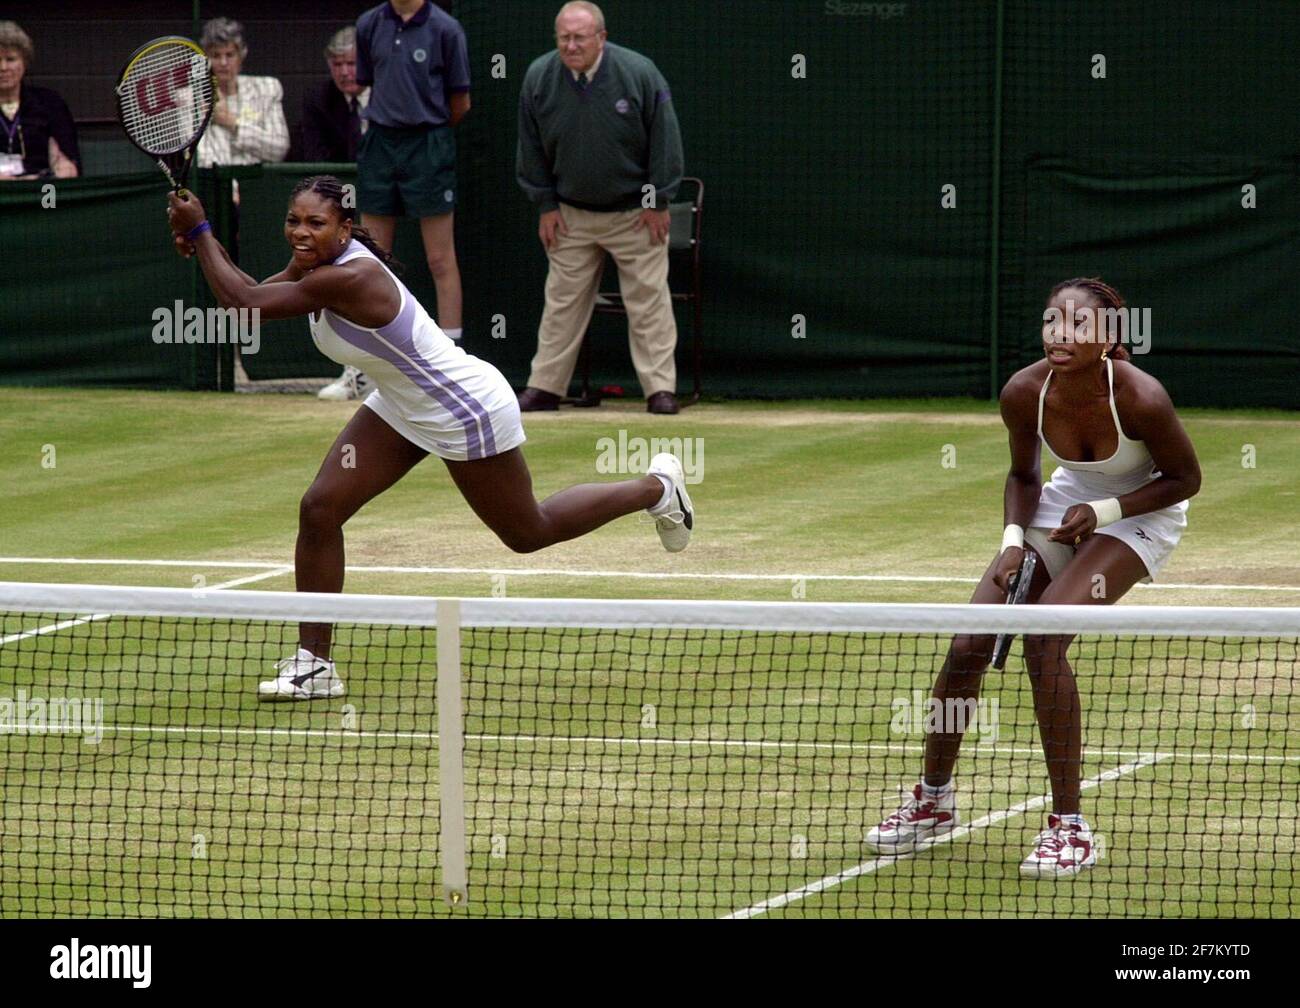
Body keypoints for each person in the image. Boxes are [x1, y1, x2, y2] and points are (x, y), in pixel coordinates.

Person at [165, 175, 696, 701]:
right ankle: (315, 665)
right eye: (293, 221)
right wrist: (205, 243)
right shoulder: (313, 266)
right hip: (402, 405)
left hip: (461, 409)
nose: (301, 233)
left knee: (528, 532)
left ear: (346, 228)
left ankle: (657, 488)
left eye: (316, 223)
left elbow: (243, 305)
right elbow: (253, 292)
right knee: (320, 508)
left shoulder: (351, 279)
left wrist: (204, 229)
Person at [865, 277, 1201, 879]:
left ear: (1108, 338)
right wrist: (1014, 543)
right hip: (1062, 503)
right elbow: (1024, 477)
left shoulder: (1142, 397)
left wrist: (1102, 515)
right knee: (969, 644)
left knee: (1044, 642)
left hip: (1141, 515)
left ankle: (1069, 827)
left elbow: (1184, 480)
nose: (1060, 335)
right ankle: (933, 800)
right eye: (1052, 322)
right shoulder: (1024, 391)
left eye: (1077, 325)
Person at [515, 2, 685, 415]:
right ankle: (545, 388)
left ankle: (660, 390)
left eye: (580, 37)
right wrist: (547, 205)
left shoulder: (640, 72)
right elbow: (531, 147)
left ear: (601, 38)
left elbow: (664, 140)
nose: (571, 46)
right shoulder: (539, 76)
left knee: (649, 302)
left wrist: (656, 199)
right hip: (571, 215)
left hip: (634, 214)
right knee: (560, 304)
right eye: (564, 38)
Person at [321, 0, 470, 403]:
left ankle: (453, 366)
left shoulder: (446, 29)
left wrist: (425, 128)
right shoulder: (369, 23)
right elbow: (371, 82)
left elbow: (460, 103)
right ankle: (359, 371)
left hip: (430, 144)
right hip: (382, 144)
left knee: (440, 259)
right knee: (370, 260)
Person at [196, 18, 290, 168]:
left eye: (230, 54)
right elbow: (201, 160)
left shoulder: (267, 88)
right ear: (205, 58)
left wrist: (231, 122)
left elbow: (278, 149)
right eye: (216, 55)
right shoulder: (190, 98)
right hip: (214, 186)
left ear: (242, 55)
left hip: (257, 184)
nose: (223, 63)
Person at [0, 21, 79, 181]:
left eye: (11, 59)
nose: (3, 67)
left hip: (41, 190)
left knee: (49, 202)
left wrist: (45, 177)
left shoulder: (50, 104)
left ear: (25, 62)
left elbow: (69, 168)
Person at [300, 26, 368, 163]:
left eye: (351, 64)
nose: (343, 72)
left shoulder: (390, 95)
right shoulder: (318, 100)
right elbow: (314, 156)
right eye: (337, 64)